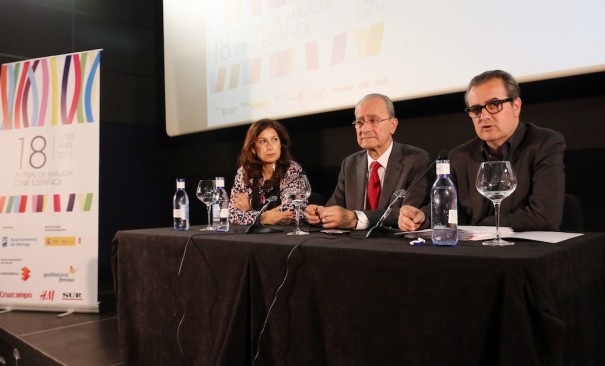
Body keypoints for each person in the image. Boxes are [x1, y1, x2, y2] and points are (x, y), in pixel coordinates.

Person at [398, 70, 565, 232]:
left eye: (494, 105)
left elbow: (544, 216)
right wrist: (423, 217)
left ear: (516, 106)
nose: (484, 116)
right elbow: (452, 211)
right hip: (477, 251)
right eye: (476, 109)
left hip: (526, 249)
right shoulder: (460, 156)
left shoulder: (544, 144)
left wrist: (480, 226)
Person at [305, 93, 431, 229]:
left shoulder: (416, 160)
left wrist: (355, 219)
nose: (364, 129)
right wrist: (319, 213)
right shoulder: (350, 163)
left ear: (393, 125)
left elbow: (409, 214)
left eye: (373, 121)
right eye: (359, 122)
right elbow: (335, 207)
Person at [229, 118, 307, 225]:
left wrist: (249, 211)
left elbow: (290, 213)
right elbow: (232, 214)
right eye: (263, 141)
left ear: (280, 144)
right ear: (253, 148)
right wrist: (263, 218)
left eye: (274, 139)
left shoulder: (291, 169)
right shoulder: (244, 172)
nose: (270, 147)